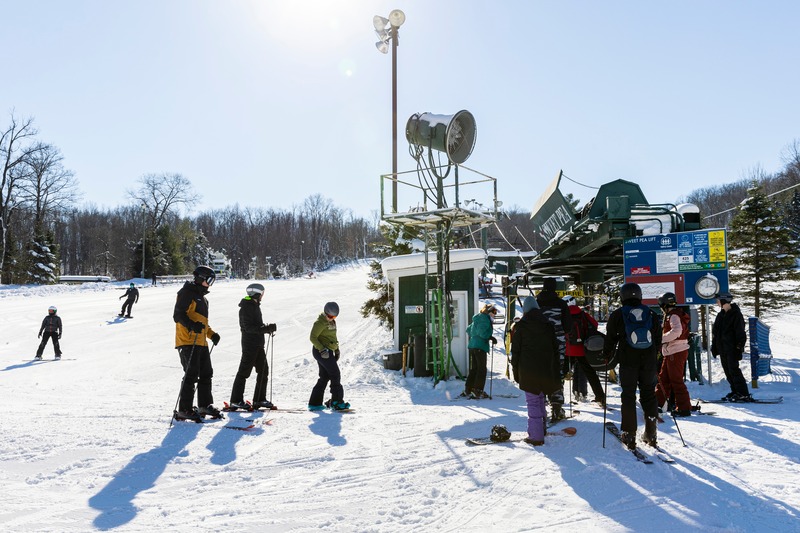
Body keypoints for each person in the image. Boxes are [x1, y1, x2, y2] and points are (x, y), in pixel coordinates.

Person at [603, 282, 662, 449]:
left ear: (622, 297)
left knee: (628, 395)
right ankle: (651, 433)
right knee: (649, 394)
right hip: (648, 360)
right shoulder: (650, 313)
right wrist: (654, 355)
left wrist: (606, 355)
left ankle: (629, 435)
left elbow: (610, 339)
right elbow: (658, 337)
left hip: (628, 360)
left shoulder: (617, 315)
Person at [172, 265, 222, 422]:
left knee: (207, 373)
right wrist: (191, 326)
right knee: (191, 374)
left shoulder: (203, 299)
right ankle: (184, 409)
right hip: (187, 341)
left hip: (201, 342)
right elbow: (178, 315)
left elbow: (202, 323)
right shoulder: (187, 293)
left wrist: (211, 334)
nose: (210, 284)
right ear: (201, 278)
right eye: (209, 280)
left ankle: (204, 405)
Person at [511, 296, 560, 446]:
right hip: (546, 368)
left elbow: (516, 352)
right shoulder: (548, 325)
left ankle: (536, 436)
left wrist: (516, 371)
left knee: (533, 401)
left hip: (528, 369)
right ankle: (542, 427)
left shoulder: (521, 326)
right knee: (541, 398)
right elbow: (555, 349)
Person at [229, 283, 277, 410]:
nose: (262, 296)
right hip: (250, 345)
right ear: (257, 293)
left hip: (258, 345)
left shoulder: (254, 305)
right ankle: (235, 400)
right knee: (244, 372)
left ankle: (259, 399)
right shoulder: (246, 307)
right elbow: (248, 327)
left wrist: (266, 329)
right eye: (262, 293)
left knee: (263, 371)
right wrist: (266, 329)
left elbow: (255, 326)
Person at [536, 277, 572, 422]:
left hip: (539, 345)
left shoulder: (536, 303)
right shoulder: (561, 304)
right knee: (557, 372)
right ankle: (556, 407)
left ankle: (539, 407)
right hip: (558, 344)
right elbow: (568, 326)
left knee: (541, 372)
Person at [655, 292, 693, 416]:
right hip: (671, 351)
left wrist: (661, 338)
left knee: (676, 380)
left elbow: (677, 331)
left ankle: (684, 408)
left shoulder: (673, 316)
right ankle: (657, 403)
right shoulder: (672, 315)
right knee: (663, 378)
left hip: (676, 351)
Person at [563, 296, 606, 406]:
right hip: (583, 349)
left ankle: (555, 399)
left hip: (568, 350)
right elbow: (595, 325)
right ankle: (600, 397)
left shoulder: (563, 315)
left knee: (561, 374)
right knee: (591, 374)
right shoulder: (583, 314)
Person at [308, 302, 349, 411]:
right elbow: (312, 337)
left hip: (328, 351)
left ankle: (314, 403)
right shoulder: (320, 323)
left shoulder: (331, 322)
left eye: (334, 317)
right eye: (330, 316)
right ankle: (337, 401)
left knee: (325, 376)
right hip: (321, 351)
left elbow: (332, 337)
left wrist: (336, 349)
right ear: (325, 313)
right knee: (335, 373)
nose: (332, 318)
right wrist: (322, 349)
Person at [711, 291, 751, 402]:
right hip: (723, 348)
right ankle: (735, 391)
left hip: (732, 348)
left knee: (734, 370)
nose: (717, 302)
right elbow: (716, 333)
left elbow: (740, 333)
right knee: (728, 371)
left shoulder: (736, 314)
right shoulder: (721, 315)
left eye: (718, 300)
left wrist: (739, 347)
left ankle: (743, 393)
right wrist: (714, 346)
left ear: (724, 300)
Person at [463, 302, 498, 399]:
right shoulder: (485, 319)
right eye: (494, 312)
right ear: (489, 311)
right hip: (480, 347)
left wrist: (475, 336)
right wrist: (489, 337)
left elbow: (468, 330)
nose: (495, 314)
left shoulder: (478, 318)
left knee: (474, 369)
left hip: (473, 346)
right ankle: (478, 391)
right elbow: (482, 332)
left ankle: (468, 389)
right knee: (481, 369)